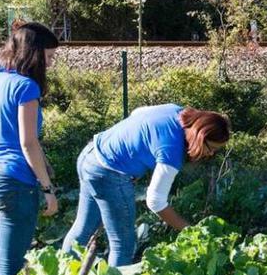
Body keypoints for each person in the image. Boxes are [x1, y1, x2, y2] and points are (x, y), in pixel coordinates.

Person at [61, 104, 230, 266]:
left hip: (90, 155)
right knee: (123, 244)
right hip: (109, 173)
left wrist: (131, 154)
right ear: (200, 136)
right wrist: (191, 231)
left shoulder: (176, 111)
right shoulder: (172, 151)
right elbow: (155, 201)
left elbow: (138, 113)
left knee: (83, 228)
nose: (211, 154)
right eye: (211, 148)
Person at [0, 22, 60, 275]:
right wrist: (47, 189)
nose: (50, 64)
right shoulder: (26, 87)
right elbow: (28, 143)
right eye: (49, 56)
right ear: (34, 53)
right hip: (13, 182)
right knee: (11, 271)